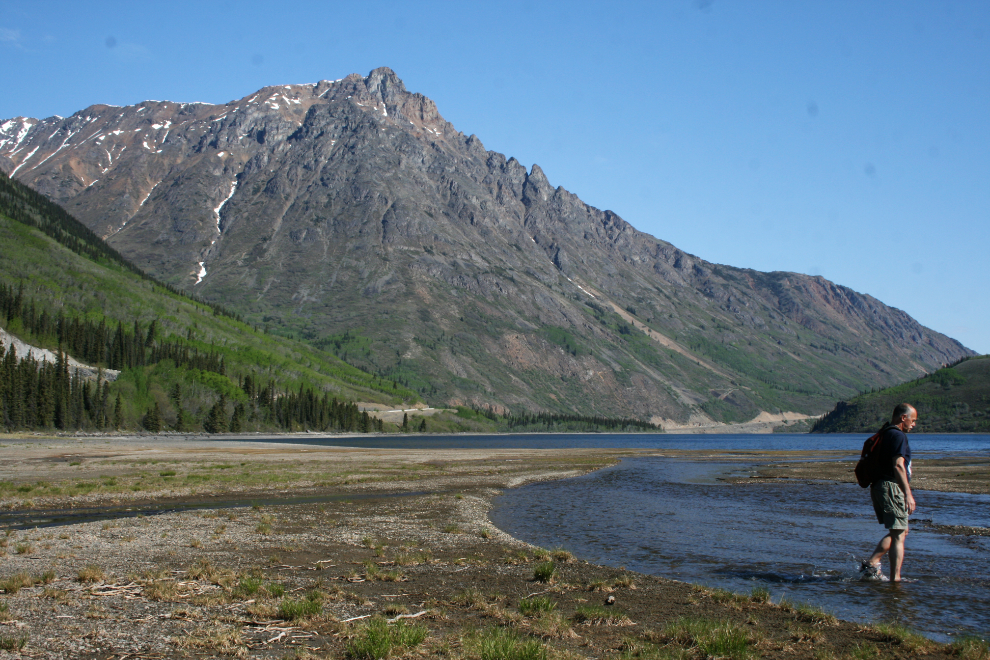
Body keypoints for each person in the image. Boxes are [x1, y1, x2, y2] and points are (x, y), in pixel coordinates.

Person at [860, 403, 917, 582]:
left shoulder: (884, 433)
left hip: (878, 486)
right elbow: (898, 465)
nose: (914, 424)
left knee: (901, 530)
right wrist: (908, 493)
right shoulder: (898, 435)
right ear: (903, 418)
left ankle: (872, 562)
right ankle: (895, 581)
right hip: (891, 486)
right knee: (899, 534)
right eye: (913, 420)